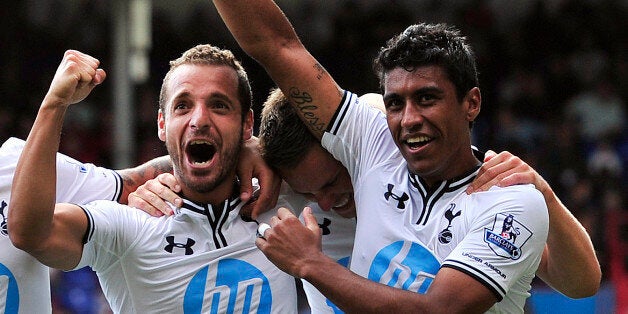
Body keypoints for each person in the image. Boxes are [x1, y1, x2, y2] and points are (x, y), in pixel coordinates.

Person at [210, 1, 601, 312]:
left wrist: (309, 264)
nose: (409, 119)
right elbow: (277, 45)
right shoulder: (372, 144)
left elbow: (442, 310)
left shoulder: (511, 200)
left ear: (472, 103)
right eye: (395, 103)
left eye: (427, 98)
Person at [8, 47, 296, 312]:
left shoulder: (284, 200)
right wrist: (54, 104)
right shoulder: (129, 224)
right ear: (162, 124)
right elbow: (30, 233)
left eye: (219, 105)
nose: (199, 119)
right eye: (182, 106)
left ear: (247, 123)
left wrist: (261, 151)